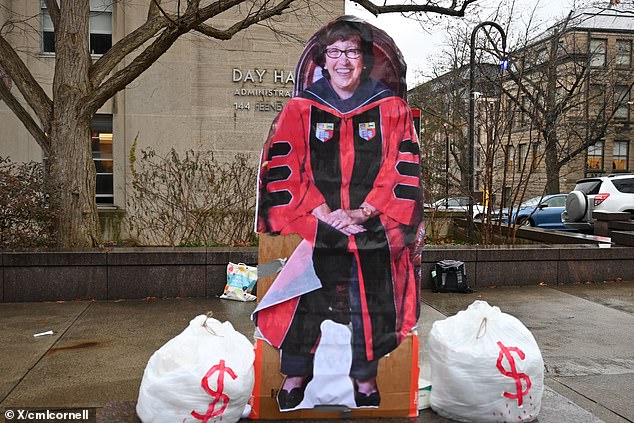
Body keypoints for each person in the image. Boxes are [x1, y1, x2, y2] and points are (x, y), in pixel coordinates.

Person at [254, 16, 422, 411]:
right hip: (314, 222)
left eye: (351, 52)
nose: (343, 60)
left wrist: (365, 211)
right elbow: (284, 165)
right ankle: (296, 372)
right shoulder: (299, 108)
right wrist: (324, 212)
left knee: (373, 297)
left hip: (374, 224)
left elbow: (402, 164)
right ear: (323, 60)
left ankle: (364, 379)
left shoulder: (392, 107)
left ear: (363, 60)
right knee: (304, 291)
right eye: (335, 52)